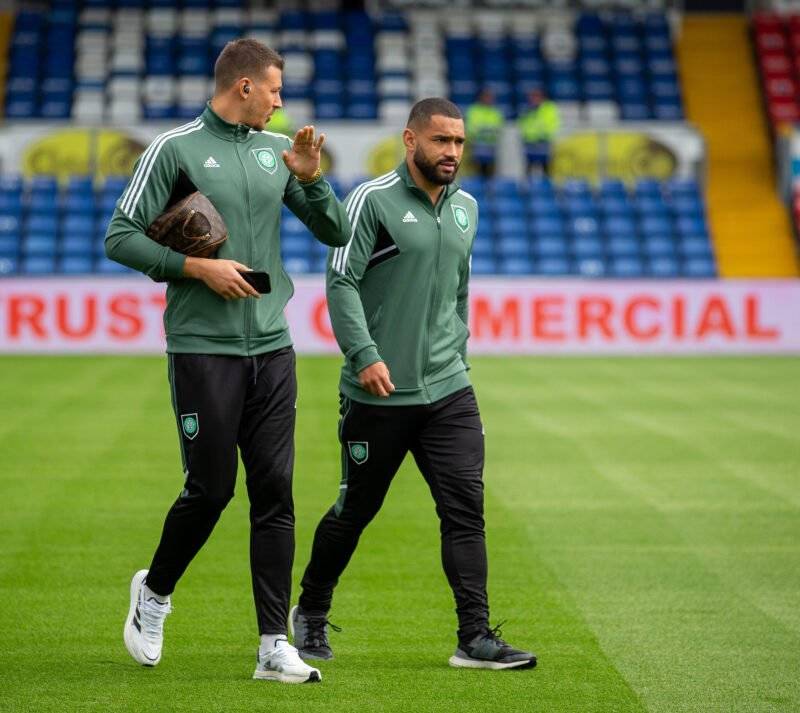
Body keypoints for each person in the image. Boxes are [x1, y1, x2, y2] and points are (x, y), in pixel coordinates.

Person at [105, 39, 350, 684]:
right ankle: (154, 593)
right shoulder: (174, 149)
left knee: (275, 494)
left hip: (272, 347)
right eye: (274, 89)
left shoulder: (278, 152)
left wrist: (311, 178)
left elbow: (337, 232)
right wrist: (196, 267)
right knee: (211, 491)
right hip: (202, 349)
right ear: (244, 86)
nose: (280, 102)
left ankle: (274, 644)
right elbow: (119, 237)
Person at [289, 98, 537, 671]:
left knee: (465, 509)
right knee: (356, 509)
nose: (452, 152)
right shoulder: (371, 200)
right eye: (440, 141)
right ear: (410, 140)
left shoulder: (467, 208)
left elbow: (458, 290)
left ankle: (474, 637)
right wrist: (365, 355)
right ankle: (311, 610)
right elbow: (341, 282)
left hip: (448, 389)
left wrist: (456, 353)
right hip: (378, 392)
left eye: (459, 142)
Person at [518, 89, 561, 176]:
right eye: (532, 97)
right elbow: (523, 124)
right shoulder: (527, 110)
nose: (533, 99)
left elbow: (552, 124)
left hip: (543, 142)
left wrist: (542, 134)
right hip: (530, 142)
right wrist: (527, 136)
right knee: (529, 166)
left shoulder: (549, 108)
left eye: (536, 97)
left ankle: (547, 183)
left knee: (545, 166)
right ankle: (528, 183)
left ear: (542, 98)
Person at [464, 88, 505, 178]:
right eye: (487, 97)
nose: (489, 99)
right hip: (476, 148)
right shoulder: (473, 110)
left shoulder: (496, 112)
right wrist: (487, 131)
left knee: (490, 174)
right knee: (475, 174)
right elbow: (471, 128)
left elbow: (498, 128)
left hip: (491, 149)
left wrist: (484, 130)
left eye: (490, 97)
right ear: (481, 98)